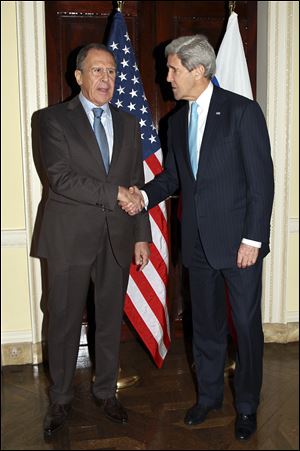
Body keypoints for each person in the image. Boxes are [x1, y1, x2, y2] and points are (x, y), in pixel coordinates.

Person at [121, 35, 274, 441]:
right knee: (204, 327)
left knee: (244, 327)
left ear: (197, 70)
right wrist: (143, 196)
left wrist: (253, 241)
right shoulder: (175, 122)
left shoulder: (242, 112)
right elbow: (172, 178)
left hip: (240, 245)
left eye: (172, 69)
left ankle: (246, 406)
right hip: (198, 247)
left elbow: (262, 182)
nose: (166, 76)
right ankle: (208, 397)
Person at [32, 43, 151, 437]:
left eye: (113, 72)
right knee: (64, 322)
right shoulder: (51, 120)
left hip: (117, 239)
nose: (107, 78)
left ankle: (105, 393)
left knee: (108, 321)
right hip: (68, 239)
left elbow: (137, 184)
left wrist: (141, 236)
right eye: (97, 71)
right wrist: (115, 193)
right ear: (78, 77)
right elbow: (61, 178)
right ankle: (62, 399)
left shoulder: (130, 124)